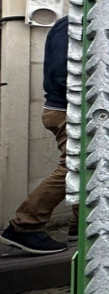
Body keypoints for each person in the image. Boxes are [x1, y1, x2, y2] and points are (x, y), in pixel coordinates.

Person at [0, 17, 76, 255]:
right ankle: (25, 225)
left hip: (68, 108)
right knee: (76, 166)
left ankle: (80, 224)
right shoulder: (74, 22)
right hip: (67, 109)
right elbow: (60, 72)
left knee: (83, 167)